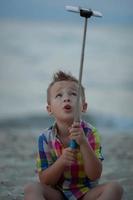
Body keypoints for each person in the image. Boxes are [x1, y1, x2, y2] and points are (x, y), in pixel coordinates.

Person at [24, 70, 123, 200]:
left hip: (86, 193)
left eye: (73, 94)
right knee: (32, 188)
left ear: (84, 106)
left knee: (115, 188)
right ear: (49, 109)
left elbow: (95, 174)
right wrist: (61, 162)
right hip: (57, 194)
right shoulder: (45, 138)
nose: (66, 98)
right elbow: (45, 180)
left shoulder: (90, 133)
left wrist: (83, 143)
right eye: (59, 95)